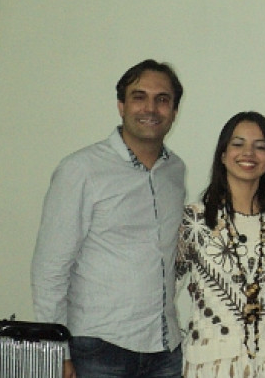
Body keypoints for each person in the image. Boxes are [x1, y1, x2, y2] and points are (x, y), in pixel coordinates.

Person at [31, 59, 185, 378]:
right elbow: (50, 269)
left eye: (162, 99)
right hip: (98, 350)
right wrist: (57, 351)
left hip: (164, 350)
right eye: (139, 96)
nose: (151, 108)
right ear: (121, 105)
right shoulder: (81, 170)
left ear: (174, 111)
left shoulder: (176, 171)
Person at [176, 111, 265, 377]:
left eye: (260, 146)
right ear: (223, 155)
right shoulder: (194, 220)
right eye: (238, 144)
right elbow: (163, 293)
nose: (248, 153)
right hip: (208, 364)